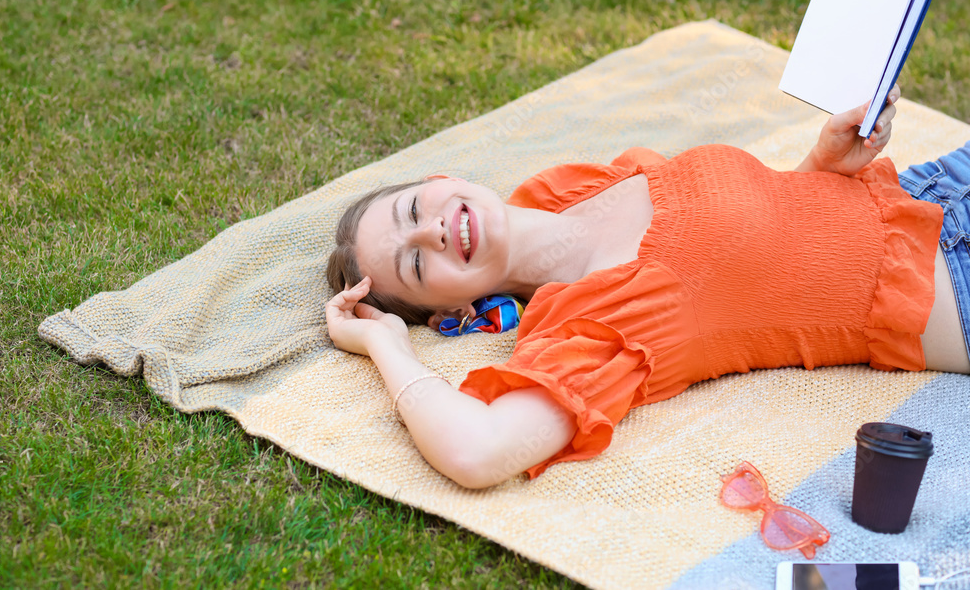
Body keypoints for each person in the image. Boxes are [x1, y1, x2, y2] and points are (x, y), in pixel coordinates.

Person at [324, 85, 970, 489]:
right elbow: (476, 452)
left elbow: (756, 261)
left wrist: (819, 170)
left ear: (441, 178)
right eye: (414, 264)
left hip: (935, 188)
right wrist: (386, 345)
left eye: (415, 209)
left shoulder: (571, 185)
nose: (434, 229)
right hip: (955, 289)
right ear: (452, 310)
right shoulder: (591, 321)